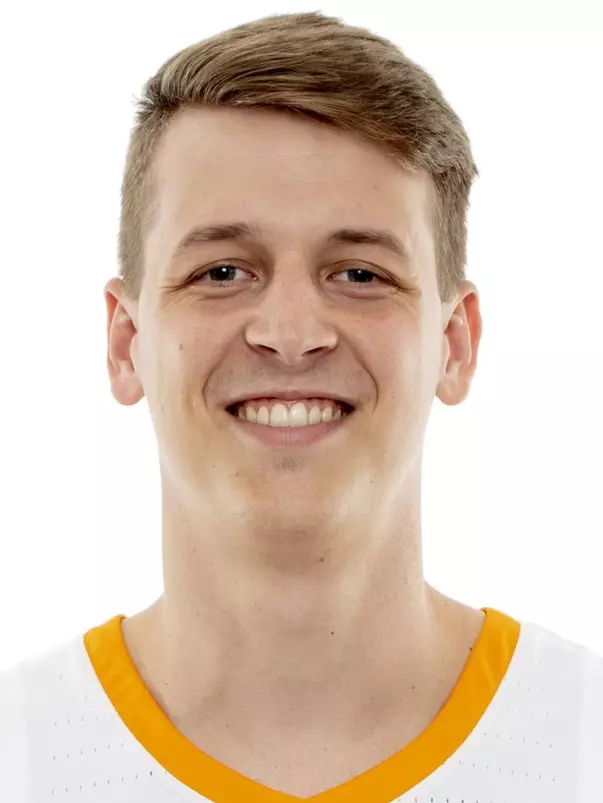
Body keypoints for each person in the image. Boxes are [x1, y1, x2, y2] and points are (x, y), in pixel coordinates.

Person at [1, 10, 601, 802]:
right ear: (125, 341)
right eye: (221, 271)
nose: (289, 335)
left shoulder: (581, 738)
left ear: (454, 343)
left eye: (359, 273)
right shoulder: (21, 750)